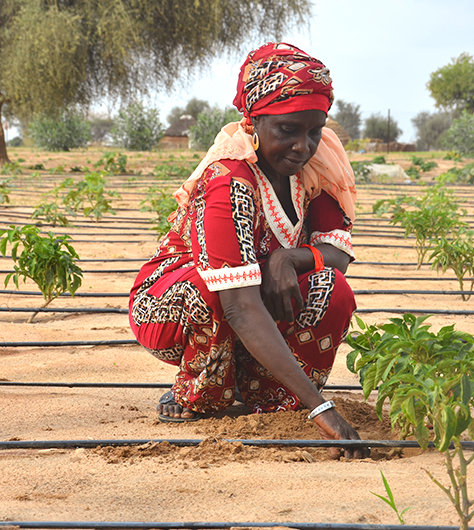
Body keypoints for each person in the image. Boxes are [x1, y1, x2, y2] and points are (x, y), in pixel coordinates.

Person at [129, 42, 368, 459]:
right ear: (254, 122)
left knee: (333, 288)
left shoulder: (317, 167)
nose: (303, 146)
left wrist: (289, 257)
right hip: (177, 307)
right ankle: (199, 393)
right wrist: (321, 407)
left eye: (314, 131)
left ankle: (272, 394)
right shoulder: (230, 180)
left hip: (252, 303)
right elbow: (238, 303)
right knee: (214, 286)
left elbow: (338, 254)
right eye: (287, 131)